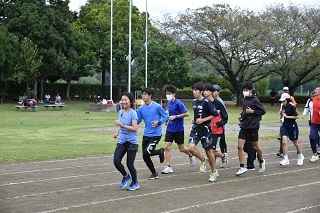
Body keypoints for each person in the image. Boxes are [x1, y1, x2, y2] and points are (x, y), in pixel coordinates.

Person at [188, 82, 219, 182]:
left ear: (201, 91)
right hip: (196, 128)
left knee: (209, 151)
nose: (194, 92)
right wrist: (194, 118)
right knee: (191, 148)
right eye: (193, 90)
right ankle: (202, 160)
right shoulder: (194, 102)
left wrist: (203, 120)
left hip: (205, 129)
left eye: (196, 90)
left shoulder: (206, 102)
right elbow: (197, 113)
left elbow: (215, 114)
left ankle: (214, 171)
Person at [161, 85, 195, 174]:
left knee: (182, 148)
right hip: (170, 128)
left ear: (174, 94)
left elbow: (187, 113)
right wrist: (167, 119)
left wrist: (176, 116)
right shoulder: (168, 103)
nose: (167, 95)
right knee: (167, 146)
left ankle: (191, 155)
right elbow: (169, 114)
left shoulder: (179, 103)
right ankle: (168, 166)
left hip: (179, 129)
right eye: (166, 93)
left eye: (169, 93)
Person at [137, 88, 169, 179]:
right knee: (145, 155)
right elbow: (138, 120)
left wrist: (159, 122)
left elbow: (166, 116)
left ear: (150, 95)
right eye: (142, 94)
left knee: (147, 152)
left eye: (145, 94)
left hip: (156, 134)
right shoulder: (141, 109)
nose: (143, 96)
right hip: (146, 134)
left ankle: (160, 151)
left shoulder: (157, 106)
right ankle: (154, 173)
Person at [236, 81, 266, 176]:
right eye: (243, 90)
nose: (245, 92)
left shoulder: (255, 100)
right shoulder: (244, 100)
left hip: (253, 127)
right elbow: (245, 111)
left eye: (246, 90)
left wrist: (252, 111)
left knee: (255, 147)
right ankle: (242, 166)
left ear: (250, 90)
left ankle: (261, 160)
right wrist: (241, 116)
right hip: (244, 126)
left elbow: (263, 111)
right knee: (240, 146)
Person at [113, 92, 140, 191]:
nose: (123, 102)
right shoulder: (120, 112)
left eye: (125, 100)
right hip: (122, 140)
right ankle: (125, 176)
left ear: (130, 101)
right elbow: (120, 125)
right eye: (122, 100)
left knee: (130, 164)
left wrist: (122, 125)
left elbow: (135, 128)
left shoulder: (133, 113)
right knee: (116, 161)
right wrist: (117, 133)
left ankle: (135, 182)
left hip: (132, 142)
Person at [203, 83, 228, 169]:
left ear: (211, 92)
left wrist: (218, 124)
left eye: (207, 90)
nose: (205, 92)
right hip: (207, 130)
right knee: (209, 150)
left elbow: (225, 117)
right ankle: (222, 156)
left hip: (217, 131)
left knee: (211, 150)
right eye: (204, 90)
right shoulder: (204, 103)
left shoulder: (218, 103)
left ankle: (222, 156)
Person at [278, 96, 304, 166]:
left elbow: (296, 116)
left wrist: (287, 117)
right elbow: (283, 114)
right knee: (283, 142)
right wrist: (282, 119)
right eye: (282, 101)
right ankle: (286, 158)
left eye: (284, 101)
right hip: (285, 125)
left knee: (295, 142)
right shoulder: (283, 106)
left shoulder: (292, 106)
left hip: (292, 125)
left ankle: (300, 156)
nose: (282, 102)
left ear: (287, 100)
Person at [276, 87, 297, 157]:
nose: (285, 91)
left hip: (291, 123)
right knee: (283, 137)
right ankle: (281, 151)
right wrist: (282, 117)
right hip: (284, 121)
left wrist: (288, 116)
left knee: (293, 140)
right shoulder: (283, 100)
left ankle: (298, 147)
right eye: (284, 90)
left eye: (286, 90)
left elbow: (294, 108)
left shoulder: (291, 100)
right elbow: (282, 109)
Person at [212, 84, 229, 168]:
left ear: (218, 92)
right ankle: (215, 158)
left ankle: (224, 157)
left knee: (221, 142)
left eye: (215, 90)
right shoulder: (211, 101)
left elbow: (225, 114)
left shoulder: (220, 102)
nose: (213, 92)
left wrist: (220, 123)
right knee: (214, 144)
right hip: (213, 127)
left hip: (220, 126)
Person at [309, 85, 320, 162]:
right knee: (312, 137)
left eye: (317, 89)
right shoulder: (313, 99)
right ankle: (315, 154)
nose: (316, 90)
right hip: (314, 122)